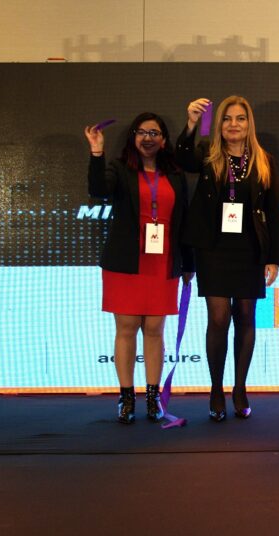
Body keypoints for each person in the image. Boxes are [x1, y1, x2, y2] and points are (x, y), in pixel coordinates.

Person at [176, 95, 279, 422]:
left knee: (246, 317)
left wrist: (274, 258)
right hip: (213, 249)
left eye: (240, 118)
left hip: (250, 249)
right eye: (226, 118)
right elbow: (183, 158)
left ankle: (240, 388)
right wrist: (191, 123)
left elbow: (273, 212)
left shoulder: (264, 161)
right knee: (219, 318)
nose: (233, 124)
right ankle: (215, 389)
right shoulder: (208, 155)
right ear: (219, 124)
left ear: (249, 123)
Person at [85, 113, 194, 424]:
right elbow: (98, 189)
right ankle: (126, 397)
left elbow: (184, 220)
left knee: (155, 330)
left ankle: (152, 397)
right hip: (126, 260)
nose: (148, 138)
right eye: (142, 132)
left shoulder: (175, 174)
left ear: (164, 139)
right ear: (133, 137)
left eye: (155, 133)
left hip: (163, 261)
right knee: (127, 328)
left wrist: (189, 263)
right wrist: (96, 151)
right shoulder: (120, 168)